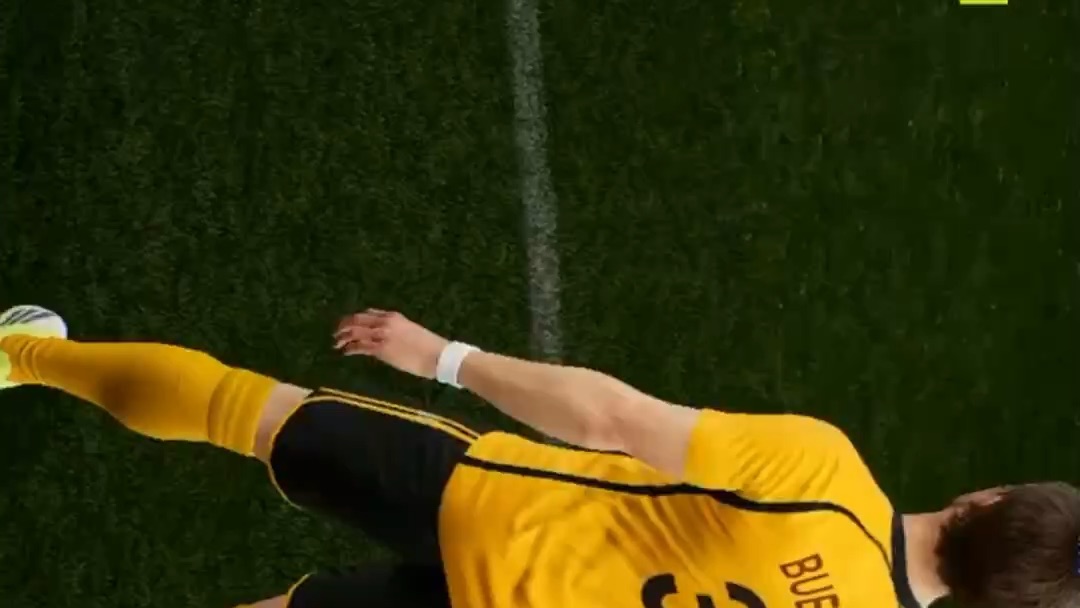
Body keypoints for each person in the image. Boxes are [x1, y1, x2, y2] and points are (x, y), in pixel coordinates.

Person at [1, 304, 1078, 608]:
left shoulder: (828, 477)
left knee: (248, 409)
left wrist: (445, 356)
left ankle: (25, 355)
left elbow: (610, 418)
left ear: (985, 498)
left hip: (489, 512)